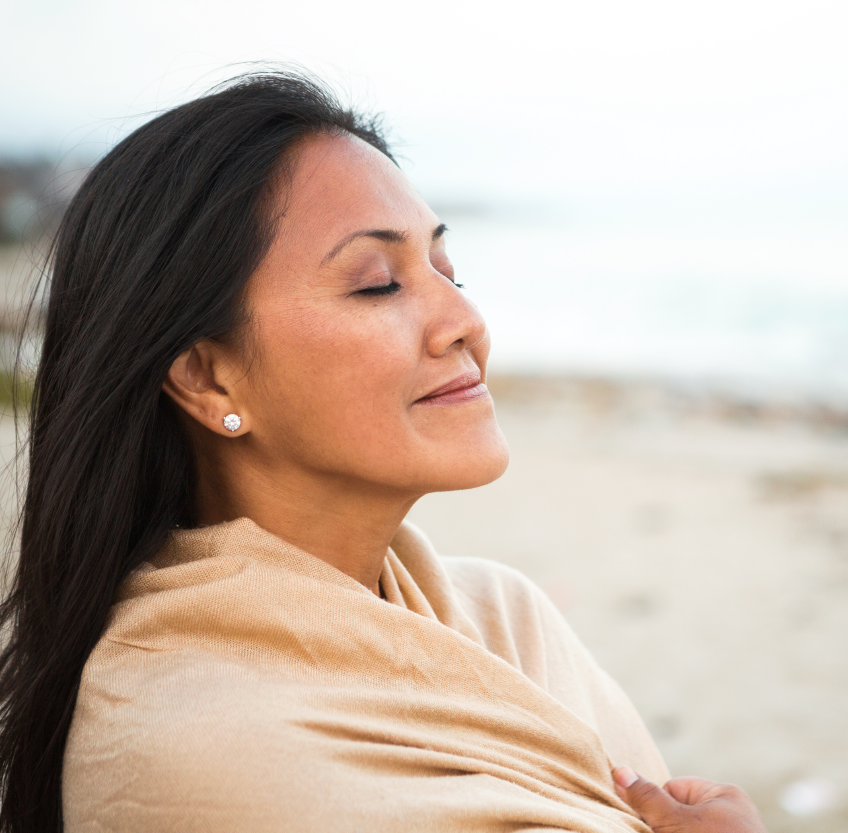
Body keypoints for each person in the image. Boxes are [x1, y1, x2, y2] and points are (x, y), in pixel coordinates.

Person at [0, 72, 769, 833]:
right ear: (205, 375)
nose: (464, 319)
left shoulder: (506, 620)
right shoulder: (189, 746)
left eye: (446, 269)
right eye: (377, 284)